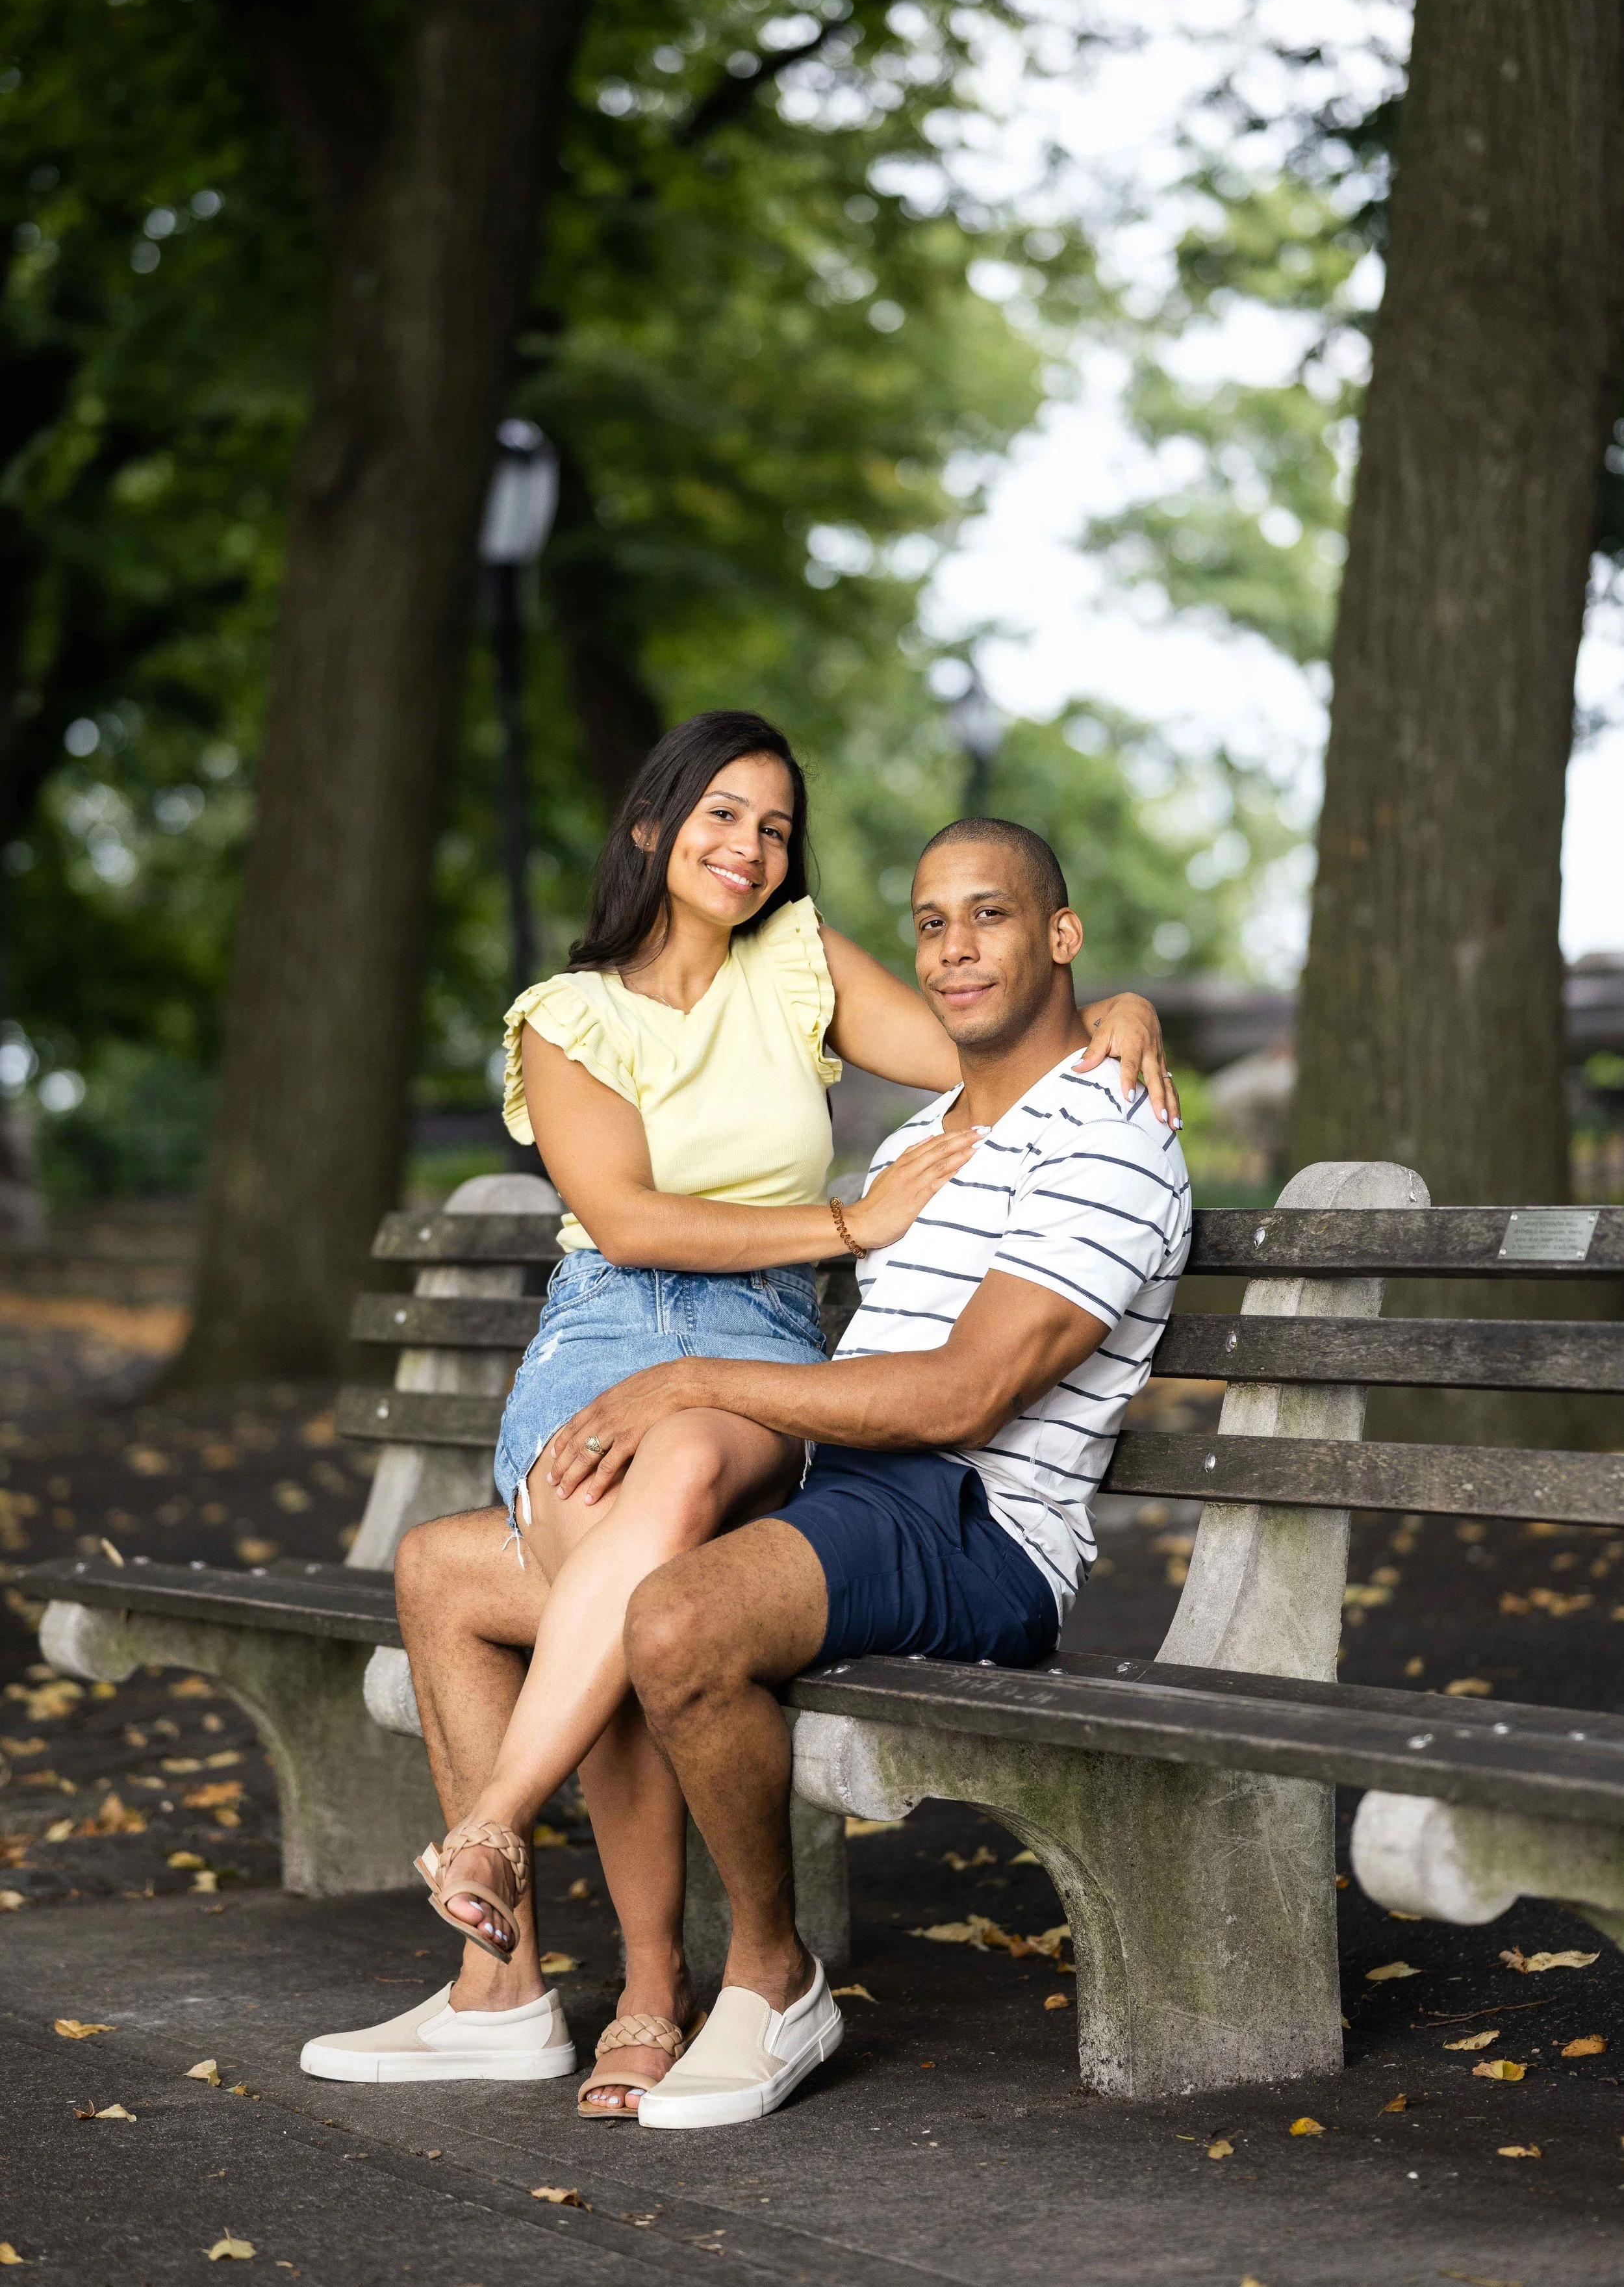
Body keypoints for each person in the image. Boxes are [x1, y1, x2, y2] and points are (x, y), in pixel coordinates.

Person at [299, 710, 1177, 2114]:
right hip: (649, 1348)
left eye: (772, 825)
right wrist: (845, 1220)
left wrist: (1123, 1015)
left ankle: (650, 1954)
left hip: (820, 1410)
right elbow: (634, 1217)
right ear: (650, 826)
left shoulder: (816, 977)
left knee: (653, 1572)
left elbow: (993, 1052)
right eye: (718, 815)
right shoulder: (573, 1019)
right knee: (444, 1569)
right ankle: (501, 1988)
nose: (747, 847)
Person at [542, 812, 1193, 2128]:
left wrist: (691, 1382)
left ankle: (770, 1978)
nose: (954, 949)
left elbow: (962, 1395)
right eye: (931, 921)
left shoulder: (1109, 1133)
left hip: (977, 1525)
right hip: (850, 1492)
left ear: (1059, 935)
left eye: (991, 914)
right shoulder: (915, 1146)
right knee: (451, 1569)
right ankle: (490, 1990)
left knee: (671, 1619)